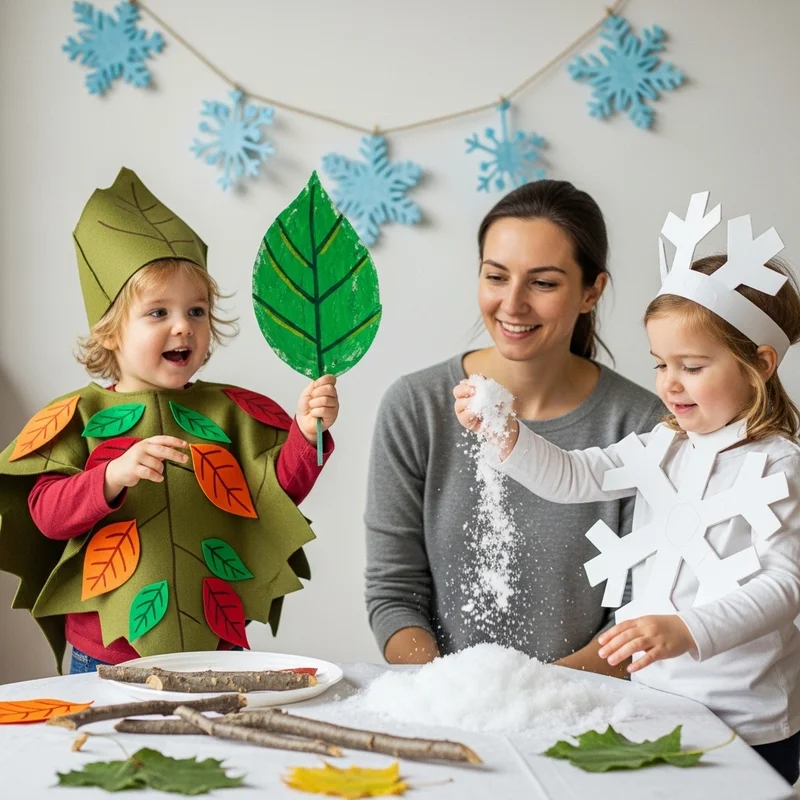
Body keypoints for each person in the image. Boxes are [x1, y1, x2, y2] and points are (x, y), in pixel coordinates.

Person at [455, 206, 800, 784]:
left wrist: (688, 630)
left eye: (691, 366)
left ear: (759, 365)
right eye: (660, 363)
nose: (668, 382)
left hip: (747, 719)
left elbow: (785, 585)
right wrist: (506, 434)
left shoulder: (780, 465)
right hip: (657, 701)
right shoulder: (664, 444)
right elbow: (573, 476)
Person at [0, 167, 339, 674]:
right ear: (110, 332)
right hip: (107, 657)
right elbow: (46, 514)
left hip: (218, 649)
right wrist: (111, 477)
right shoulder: (79, 416)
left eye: (197, 311)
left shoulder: (231, 411)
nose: (184, 325)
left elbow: (274, 495)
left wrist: (306, 434)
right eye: (158, 313)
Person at [365, 179, 664, 674]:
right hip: (445, 706)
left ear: (592, 291)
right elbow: (394, 595)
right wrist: (454, 693)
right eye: (496, 276)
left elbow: (636, 615)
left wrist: (534, 696)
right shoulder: (415, 407)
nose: (512, 304)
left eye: (543, 283)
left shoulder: (641, 425)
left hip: (591, 709)